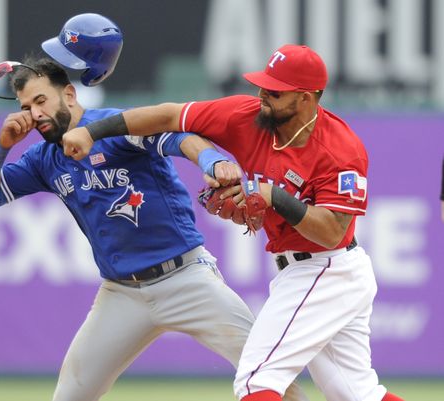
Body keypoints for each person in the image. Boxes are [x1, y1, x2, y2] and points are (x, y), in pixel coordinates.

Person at [0, 17, 309, 401]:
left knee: (270, 378)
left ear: (70, 95)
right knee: (69, 397)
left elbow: (177, 138)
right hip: (121, 294)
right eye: (27, 106)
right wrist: (2, 146)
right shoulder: (43, 158)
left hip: (186, 279)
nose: (35, 113)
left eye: (41, 100)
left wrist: (211, 160)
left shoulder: (110, 127)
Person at [61, 44, 407, 401]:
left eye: (275, 91)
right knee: (355, 392)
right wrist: (93, 132)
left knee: (257, 381)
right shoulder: (246, 115)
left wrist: (274, 196)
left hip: (326, 269)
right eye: (262, 85)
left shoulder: (340, 150)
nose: (262, 96)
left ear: (306, 98)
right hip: (307, 269)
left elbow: (332, 233)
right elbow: (168, 116)